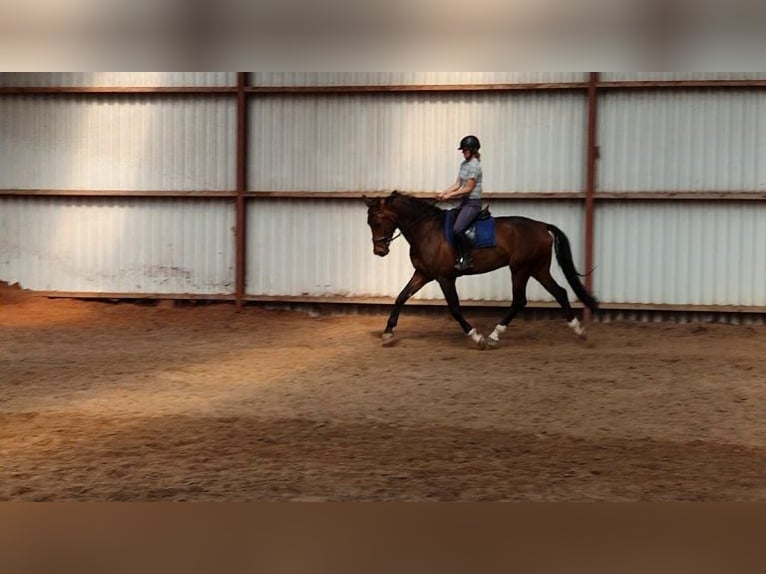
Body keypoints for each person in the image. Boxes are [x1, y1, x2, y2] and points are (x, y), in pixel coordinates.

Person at [437, 134, 483, 270]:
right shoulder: (464, 164)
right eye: (463, 150)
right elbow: (458, 184)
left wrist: (449, 195)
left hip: (473, 203)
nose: (463, 152)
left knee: (457, 229)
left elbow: (468, 188)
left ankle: (467, 259)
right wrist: (444, 192)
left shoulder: (474, 166)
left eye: (465, 150)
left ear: (473, 150)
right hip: (464, 202)